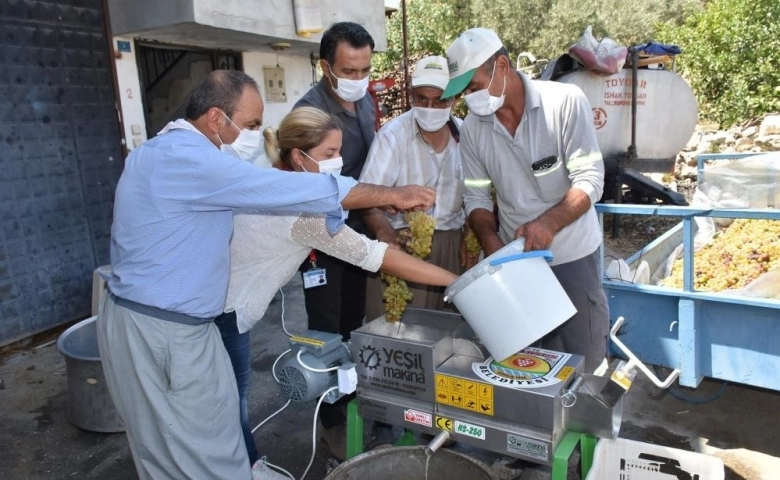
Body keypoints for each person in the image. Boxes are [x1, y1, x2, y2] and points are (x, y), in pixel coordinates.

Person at [97, 69, 434, 480]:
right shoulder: (197, 162)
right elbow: (308, 195)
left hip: (133, 318)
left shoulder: (154, 150)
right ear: (217, 119)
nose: (258, 134)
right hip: (167, 333)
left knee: (163, 449)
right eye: (253, 124)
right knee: (210, 452)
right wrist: (395, 195)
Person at [216, 107, 458, 469]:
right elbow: (375, 256)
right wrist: (455, 280)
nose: (339, 161)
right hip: (222, 311)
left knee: (229, 401)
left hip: (226, 306)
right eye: (329, 154)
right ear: (299, 157)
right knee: (228, 404)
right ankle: (247, 468)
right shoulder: (302, 208)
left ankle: (247, 465)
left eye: (339, 151)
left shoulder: (278, 182)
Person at [441, 28, 609, 373]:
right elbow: (475, 195)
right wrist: (490, 240)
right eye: (464, 93)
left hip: (573, 254)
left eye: (474, 87)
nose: (469, 99)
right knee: (531, 364)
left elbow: (590, 179)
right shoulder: (474, 129)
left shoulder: (564, 102)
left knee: (586, 361)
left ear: (502, 66)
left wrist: (547, 223)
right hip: (517, 265)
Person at [292, 21, 377, 454]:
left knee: (353, 323)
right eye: (350, 70)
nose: (359, 79)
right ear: (326, 66)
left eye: (365, 69)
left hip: (357, 229)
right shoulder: (310, 114)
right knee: (325, 329)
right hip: (320, 238)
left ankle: (352, 400)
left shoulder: (366, 102)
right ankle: (329, 421)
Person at [360, 55, 471, 322]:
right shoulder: (393, 136)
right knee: (400, 335)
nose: (430, 107)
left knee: (448, 331)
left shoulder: (467, 136)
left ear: (454, 99)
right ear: (411, 96)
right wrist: (385, 234)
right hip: (403, 246)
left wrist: (469, 236)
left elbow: (477, 193)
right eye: (422, 99)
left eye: (440, 100)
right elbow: (366, 198)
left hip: (452, 246)